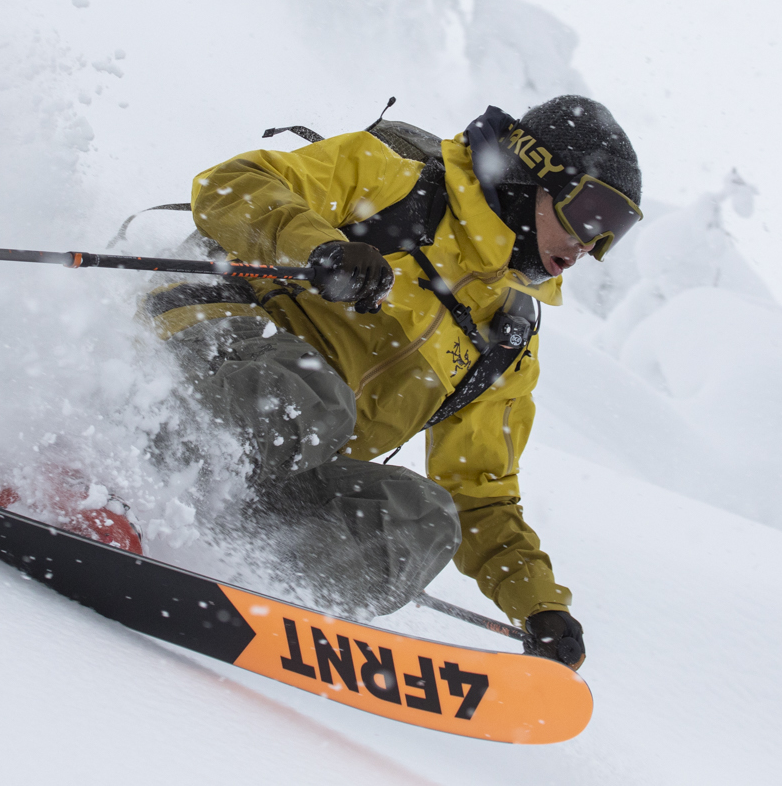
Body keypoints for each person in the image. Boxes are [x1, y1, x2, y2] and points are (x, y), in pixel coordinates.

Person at [140, 96, 644, 670]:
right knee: (316, 398)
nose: (589, 245)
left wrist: (538, 606)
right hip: (193, 355)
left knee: (425, 519)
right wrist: (321, 249)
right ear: (534, 172)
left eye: (612, 233)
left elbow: (480, 493)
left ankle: (243, 578)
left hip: (271, 459)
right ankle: (121, 482)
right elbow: (232, 185)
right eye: (591, 213)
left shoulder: (503, 337)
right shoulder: (402, 182)